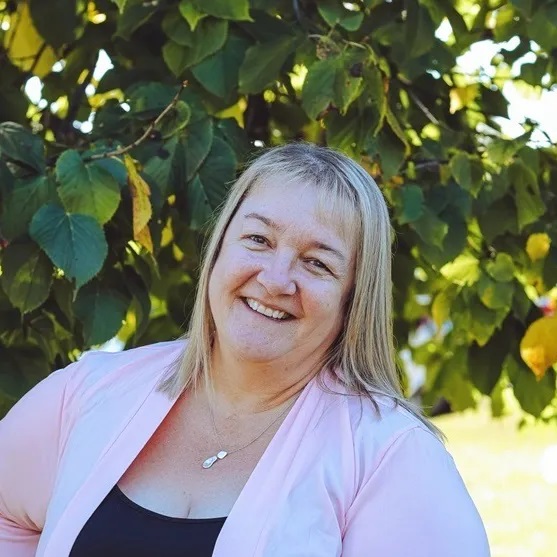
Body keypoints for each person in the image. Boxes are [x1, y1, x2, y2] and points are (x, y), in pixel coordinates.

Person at [0, 143, 490, 556]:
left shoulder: (392, 457)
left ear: (353, 299)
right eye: (258, 239)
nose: (276, 280)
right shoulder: (88, 391)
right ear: (219, 248)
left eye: (317, 264)